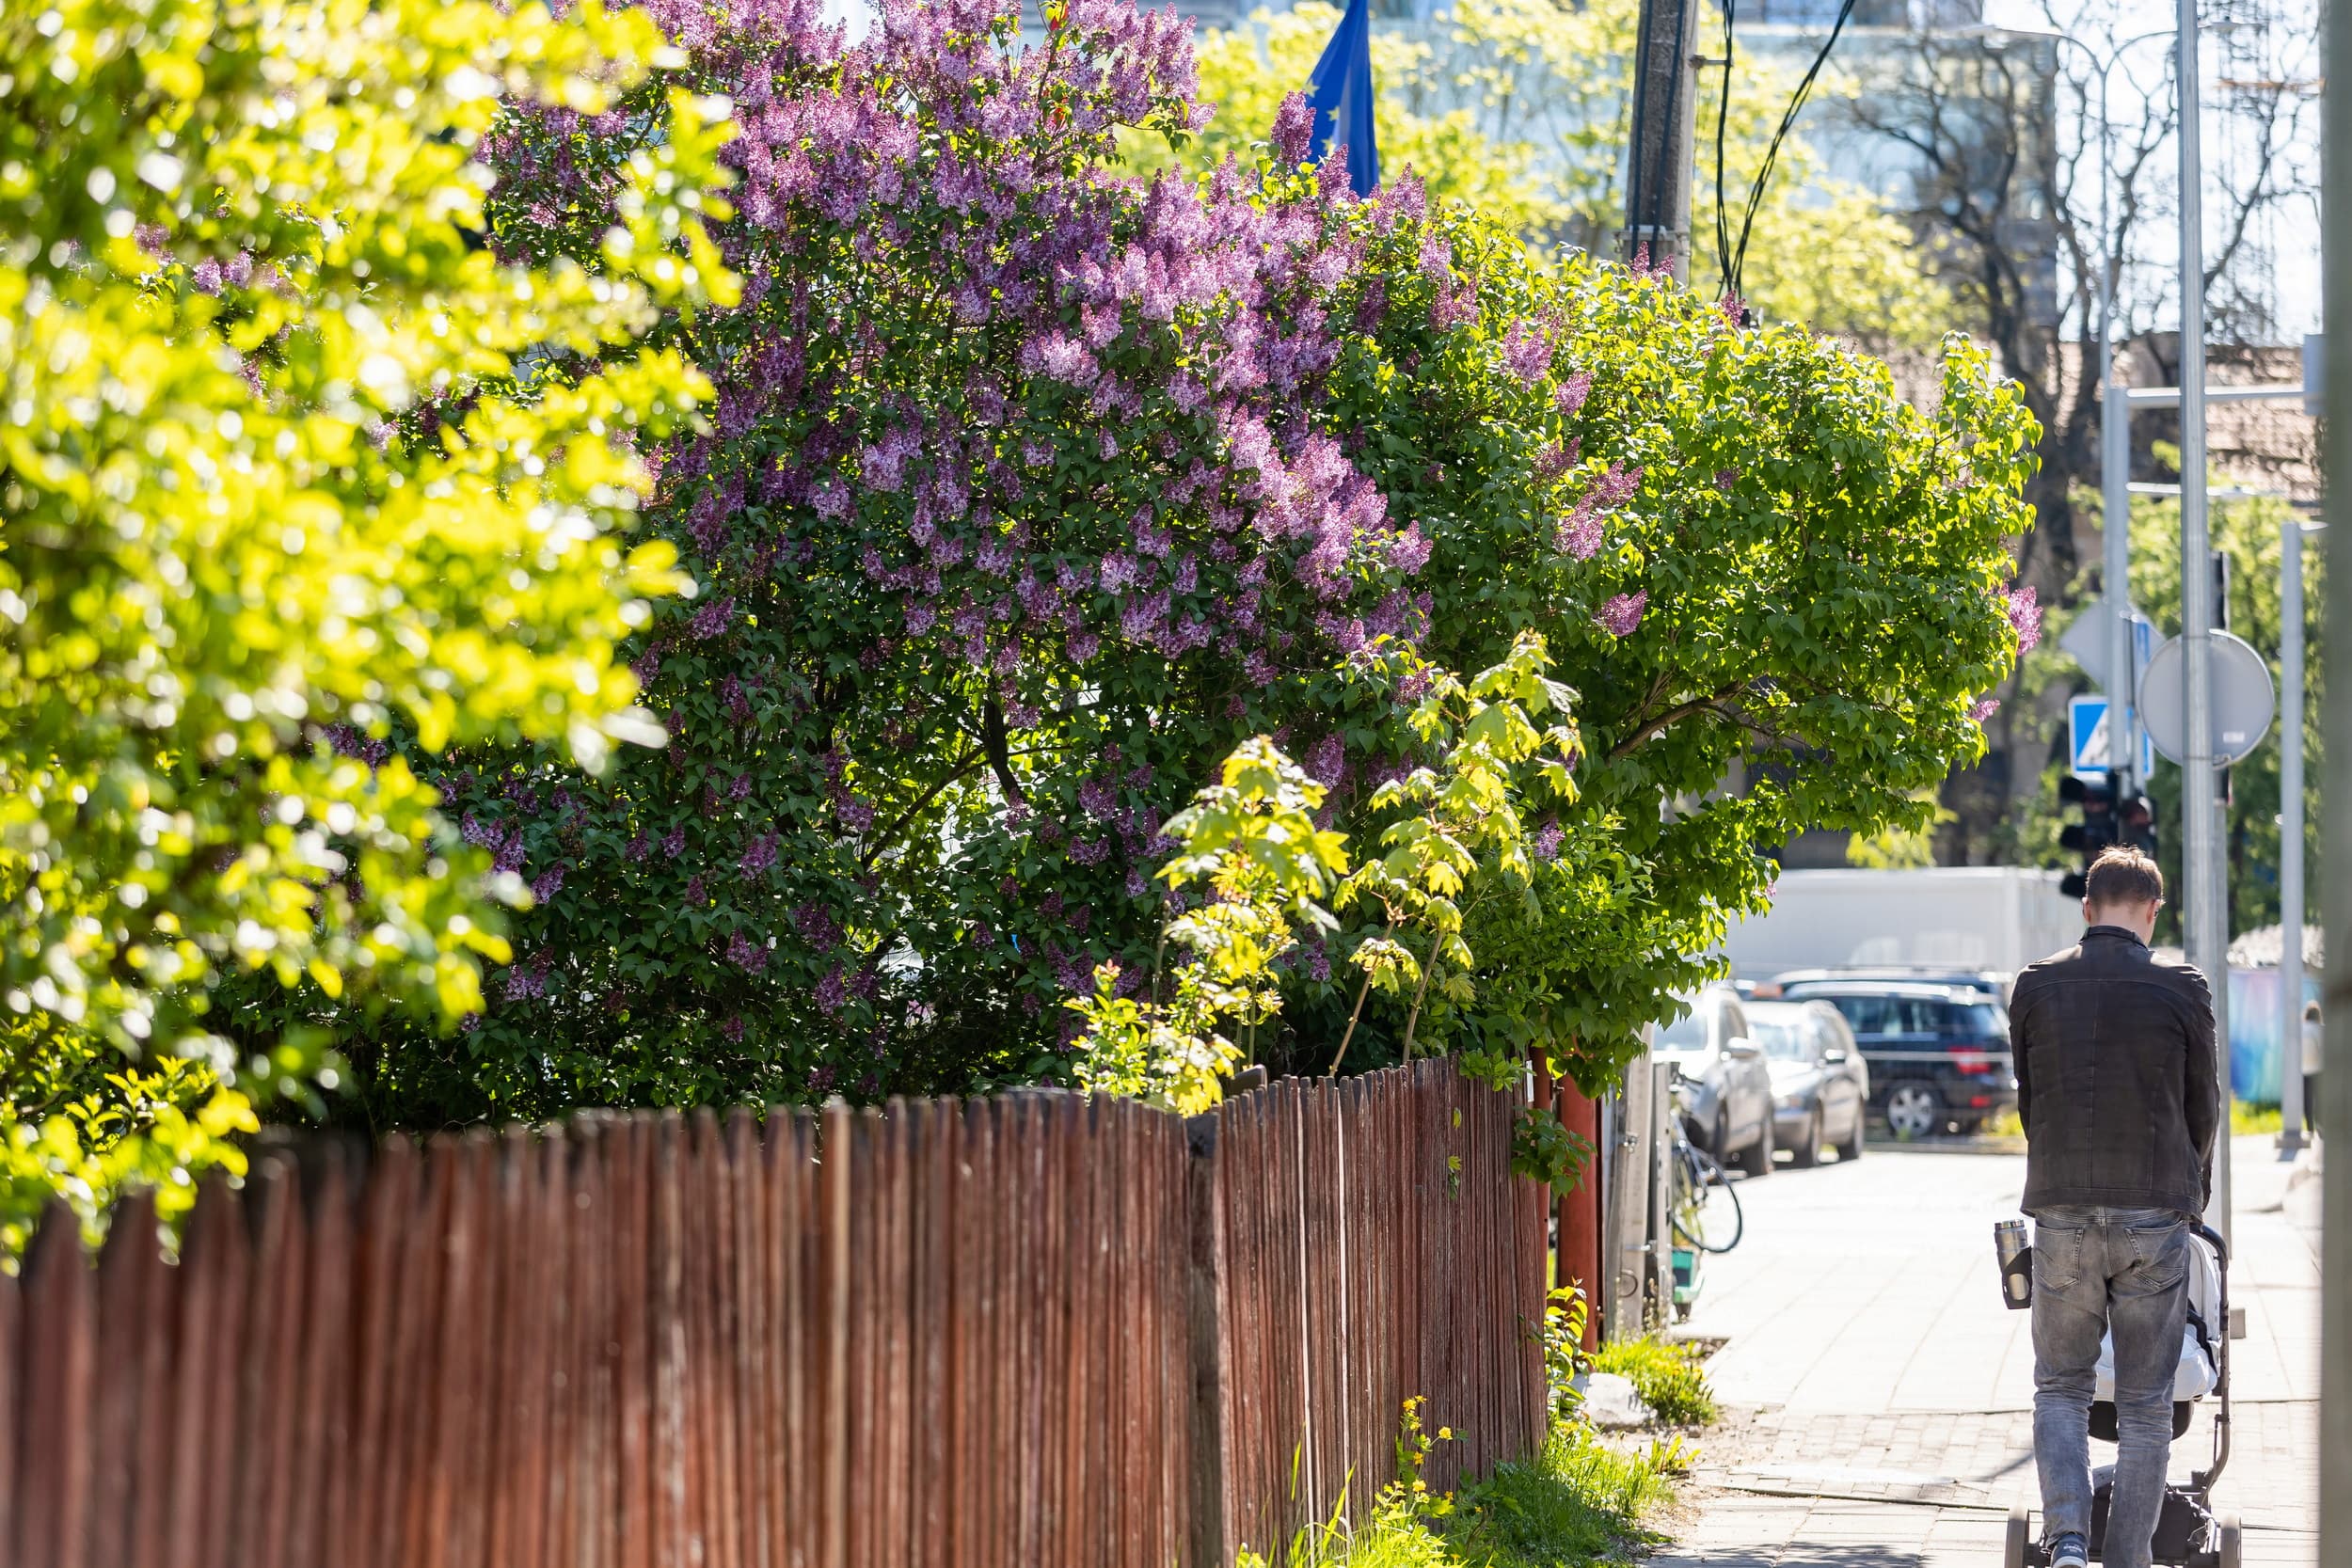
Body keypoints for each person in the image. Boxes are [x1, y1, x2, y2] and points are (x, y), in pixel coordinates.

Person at [2010, 847, 2219, 1568]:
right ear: (2153, 911)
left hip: (2062, 1208)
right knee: (2146, 1405)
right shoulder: (2182, 987)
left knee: (2061, 1386)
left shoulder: (2036, 984)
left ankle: (2068, 1542)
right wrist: (2193, 1197)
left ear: (2087, 908)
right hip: (2154, 1215)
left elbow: (2031, 1101)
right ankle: (2128, 1558)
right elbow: (2203, 1107)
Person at [2301, 999, 2321, 1138]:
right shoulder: (2321, 1029)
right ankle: (2320, 1126)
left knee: (2307, 1099)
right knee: (2319, 1099)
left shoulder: (2302, 1029)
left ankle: (2310, 1128)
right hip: (2320, 1069)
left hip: (2305, 1069)